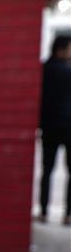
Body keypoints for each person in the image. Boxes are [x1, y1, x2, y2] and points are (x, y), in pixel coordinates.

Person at [38, 34, 71, 225]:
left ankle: (43, 211)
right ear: (60, 49)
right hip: (67, 128)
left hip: (49, 127)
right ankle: (67, 214)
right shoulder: (68, 71)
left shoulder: (44, 70)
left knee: (47, 170)